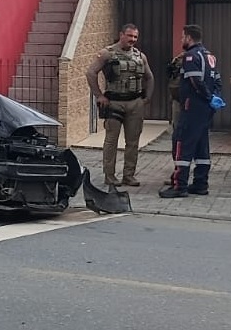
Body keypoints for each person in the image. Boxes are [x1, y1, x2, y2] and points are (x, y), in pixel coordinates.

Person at [85, 23, 155, 187]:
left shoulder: (140, 56)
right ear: (121, 35)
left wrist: (147, 98)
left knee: (133, 142)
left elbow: (150, 77)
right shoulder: (107, 53)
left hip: (135, 103)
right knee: (111, 141)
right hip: (114, 103)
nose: (133, 39)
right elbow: (90, 72)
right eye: (129, 36)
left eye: (135, 37)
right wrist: (99, 95)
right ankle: (109, 176)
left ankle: (129, 176)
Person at [160, 24, 224, 198]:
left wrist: (208, 97)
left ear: (189, 38)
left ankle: (179, 186)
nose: (182, 40)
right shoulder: (210, 56)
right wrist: (214, 98)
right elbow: (218, 81)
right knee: (202, 146)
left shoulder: (190, 56)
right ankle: (200, 184)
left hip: (192, 108)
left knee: (183, 144)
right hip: (206, 110)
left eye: (183, 37)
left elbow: (195, 81)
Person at [162, 51, 185, 186]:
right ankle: (178, 172)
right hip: (177, 102)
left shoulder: (196, 59)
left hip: (189, 104)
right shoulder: (178, 59)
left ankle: (181, 175)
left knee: (182, 139)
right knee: (177, 139)